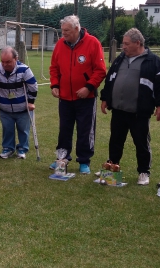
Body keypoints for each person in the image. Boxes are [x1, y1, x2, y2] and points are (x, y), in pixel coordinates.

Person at [100, 28, 160, 185]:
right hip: (118, 110)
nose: (123, 47)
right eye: (123, 44)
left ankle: (144, 172)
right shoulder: (120, 59)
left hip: (139, 112)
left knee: (141, 142)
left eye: (126, 44)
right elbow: (110, 80)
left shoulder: (154, 61)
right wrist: (105, 98)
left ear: (137, 43)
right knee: (115, 140)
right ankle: (111, 166)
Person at [49, 15, 106, 174]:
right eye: (62, 31)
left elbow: (100, 70)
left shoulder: (93, 43)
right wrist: (55, 84)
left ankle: (84, 161)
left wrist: (88, 87)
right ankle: (62, 158)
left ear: (76, 29)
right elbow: (54, 67)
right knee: (64, 129)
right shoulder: (60, 44)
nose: (63, 34)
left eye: (66, 31)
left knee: (85, 130)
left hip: (86, 98)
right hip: (65, 97)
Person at [0, 46, 38, 159]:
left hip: (22, 108)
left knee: (23, 130)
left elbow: (33, 86)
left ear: (16, 58)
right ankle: (8, 148)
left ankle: (22, 149)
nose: (5, 64)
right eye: (3, 62)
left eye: (8, 62)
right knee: (7, 129)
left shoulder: (24, 69)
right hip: (4, 108)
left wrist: (31, 102)